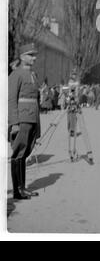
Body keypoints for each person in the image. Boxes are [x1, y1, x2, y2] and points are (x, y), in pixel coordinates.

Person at [8, 43, 40, 200]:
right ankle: (17, 190)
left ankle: (22, 188)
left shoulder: (33, 75)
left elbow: (35, 100)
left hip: (31, 118)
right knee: (18, 153)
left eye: (34, 55)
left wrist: (37, 123)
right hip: (21, 119)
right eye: (30, 55)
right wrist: (14, 123)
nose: (33, 58)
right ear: (21, 57)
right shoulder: (16, 75)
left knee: (25, 153)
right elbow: (11, 100)